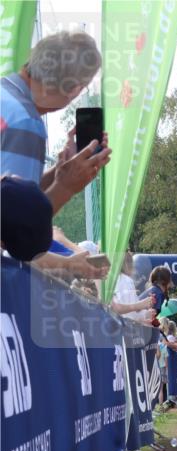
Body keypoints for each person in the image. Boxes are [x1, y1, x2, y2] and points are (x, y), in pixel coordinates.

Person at [1, 31, 111, 280]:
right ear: (73, 89)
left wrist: (58, 174)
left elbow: (8, 199)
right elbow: (15, 229)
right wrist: (66, 186)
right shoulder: (24, 121)